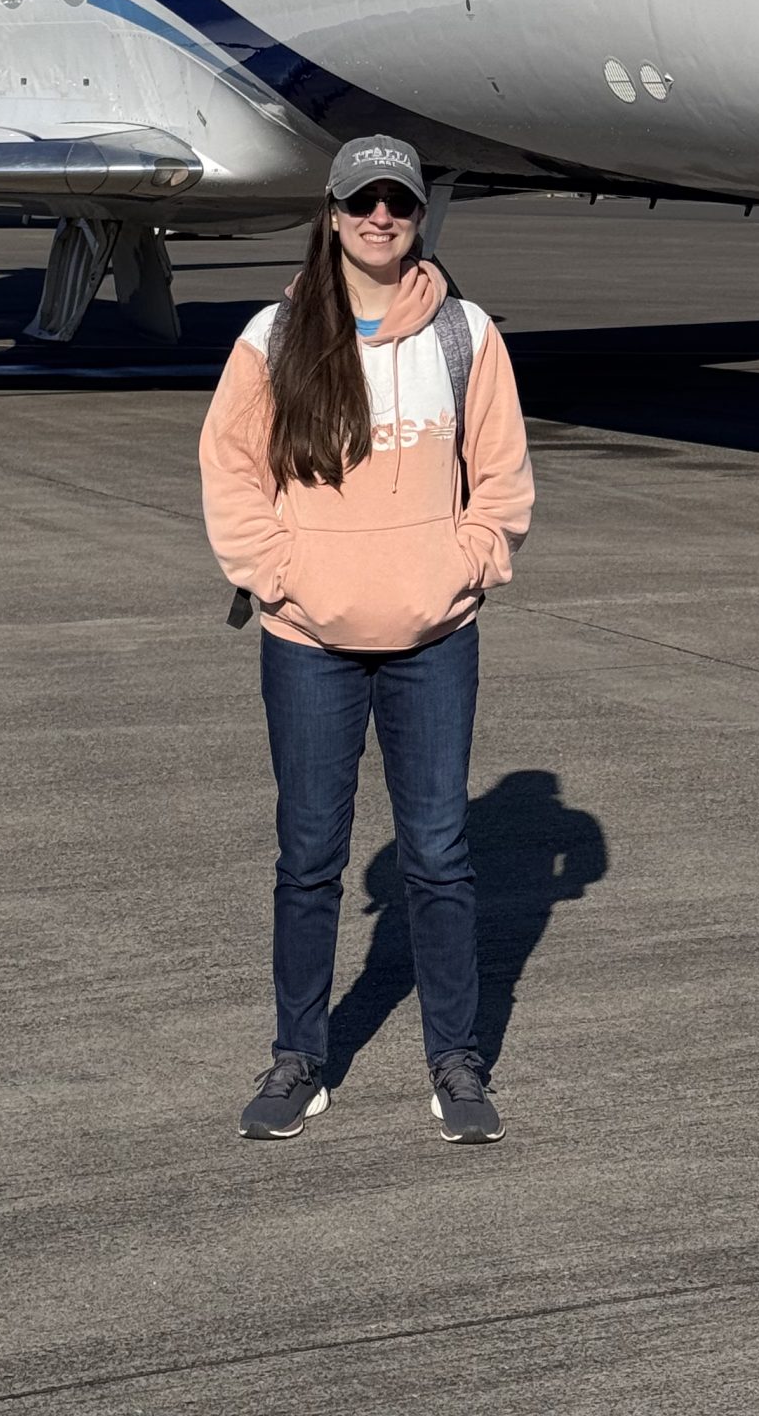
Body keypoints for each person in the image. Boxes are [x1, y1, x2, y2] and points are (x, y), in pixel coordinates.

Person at [200, 134, 534, 1144]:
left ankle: (456, 1060)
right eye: (360, 201)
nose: (378, 217)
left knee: (437, 852)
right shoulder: (277, 334)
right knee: (309, 856)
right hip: (308, 639)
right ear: (333, 211)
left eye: (396, 200)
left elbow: (505, 483)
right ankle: (299, 1057)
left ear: (419, 212)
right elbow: (231, 473)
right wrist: (283, 578)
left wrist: (457, 566)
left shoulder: (466, 334)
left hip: (436, 637)